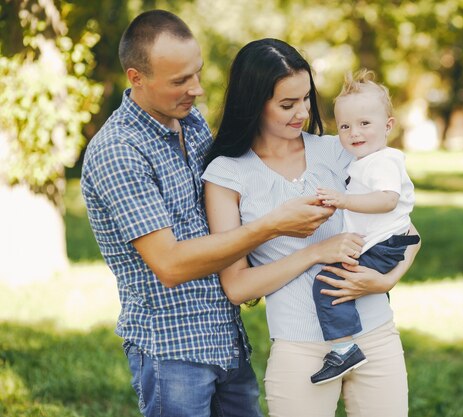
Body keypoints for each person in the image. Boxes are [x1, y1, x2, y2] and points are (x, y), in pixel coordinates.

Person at [80, 11, 338, 417]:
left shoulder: (191, 122)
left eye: (196, 74)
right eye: (180, 81)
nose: (196, 90)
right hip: (172, 350)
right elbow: (169, 264)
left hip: (225, 338)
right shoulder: (119, 151)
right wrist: (273, 225)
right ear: (136, 78)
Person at [202, 38, 420, 417]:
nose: (301, 112)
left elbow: (408, 232)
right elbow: (237, 287)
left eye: (306, 99)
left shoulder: (339, 150)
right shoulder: (227, 174)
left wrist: (386, 281)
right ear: (254, 103)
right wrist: (315, 252)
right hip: (300, 348)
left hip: (377, 334)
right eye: (287, 104)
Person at [311, 69, 420, 385]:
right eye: (345, 126)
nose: (354, 133)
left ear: (388, 126)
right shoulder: (365, 160)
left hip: (386, 244)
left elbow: (386, 200)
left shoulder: (383, 161)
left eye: (364, 124)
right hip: (383, 242)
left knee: (328, 283)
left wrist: (342, 201)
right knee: (339, 277)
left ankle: (345, 348)